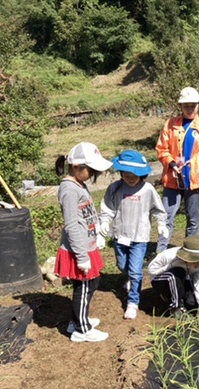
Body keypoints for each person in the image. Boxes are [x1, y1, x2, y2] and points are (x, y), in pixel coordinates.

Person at [98, 150, 168, 320]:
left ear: (141, 174)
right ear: (121, 173)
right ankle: (130, 276)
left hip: (139, 236)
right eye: (127, 175)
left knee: (136, 271)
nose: (130, 179)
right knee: (123, 265)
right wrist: (105, 222)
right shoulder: (115, 188)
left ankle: (133, 302)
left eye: (134, 176)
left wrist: (161, 223)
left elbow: (158, 209)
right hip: (120, 235)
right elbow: (108, 207)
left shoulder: (147, 189)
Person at [53, 142, 112, 342]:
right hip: (78, 249)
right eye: (91, 171)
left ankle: (78, 319)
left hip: (87, 245)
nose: (93, 175)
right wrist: (81, 256)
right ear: (76, 166)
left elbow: (87, 212)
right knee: (85, 286)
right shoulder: (69, 190)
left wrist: (97, 231)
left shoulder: (79, 184)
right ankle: (82, 329)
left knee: (91, 283)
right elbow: (71, 225)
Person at [155, 86, 199, 252]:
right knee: (166, 217)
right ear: (181, 106)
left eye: (193, 105)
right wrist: (171, 163)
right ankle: (160, 253)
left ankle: (190, 253)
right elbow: (161, 149)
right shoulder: (169, 125)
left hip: (196, 180)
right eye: (186, 106)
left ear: (198, 105)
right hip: (172, 180)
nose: (190, 109)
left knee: (193, 220)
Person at [147, 235, 199, 320]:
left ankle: (178, 300)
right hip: (159, 279)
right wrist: (171, 266)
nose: (198, 265)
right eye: (195, 261)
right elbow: (151, 270)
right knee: (178, 272)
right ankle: (175, 307)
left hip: (182, 278)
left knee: (192, 305)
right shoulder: (170, 256)